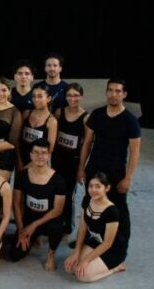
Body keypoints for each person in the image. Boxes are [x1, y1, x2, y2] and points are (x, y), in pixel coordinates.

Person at [78, 79, 141, 242]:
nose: (113, 94)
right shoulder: (97, 114)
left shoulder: (130, 121)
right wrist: (81, 168)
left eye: (118, 91)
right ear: (106, 92)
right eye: (110, 90)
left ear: (124, 94)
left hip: (115, 173)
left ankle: (120, 245)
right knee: (91, 204)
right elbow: (87, 143)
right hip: (94, 169)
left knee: (118, 208)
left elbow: (134, 152)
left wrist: (128, 178)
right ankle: (88, 238)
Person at [9, 139, 66, 271]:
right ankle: (34, 237)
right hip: (29, 219)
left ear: (49, 155)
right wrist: (21, 229)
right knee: (14, 255)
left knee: (56, 226)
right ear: (30, 155)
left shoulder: (58, 180)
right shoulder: (22, 175)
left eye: (44, 153)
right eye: (36, 152)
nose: (40, 156)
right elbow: (16, 203)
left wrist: (33, 225)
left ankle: (51, 253)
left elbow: (57, 210)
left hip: (48, 220)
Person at [64, 172, 127, 282]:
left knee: (83, 275)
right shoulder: (87, 200)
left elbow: (108, 243)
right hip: (95, 241)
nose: (93, 190)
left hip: (113, 249)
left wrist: (86, 260)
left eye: (98, 186)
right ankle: (94, 263)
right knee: (69, 267)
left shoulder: (112, 211)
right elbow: (82, 229)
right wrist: (76, 252)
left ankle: (115, 268)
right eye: (91, 186)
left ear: (107, 188)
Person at [52, 82, 88, 239]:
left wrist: (81, 168)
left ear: (81, 96)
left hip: (72, 162)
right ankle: (55, 223)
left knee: (68, 195)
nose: (72, 99)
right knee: (55, 192)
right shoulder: (59, 112)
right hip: (57, 159)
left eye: (76, 95)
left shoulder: (85, 118)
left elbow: (86, 144)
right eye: (69, 95)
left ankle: (67, 227)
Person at [17, 82, 57, 170]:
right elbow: (18, 140)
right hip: (21, 161)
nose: (36, 99)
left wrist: (30, 166)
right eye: (34, 96)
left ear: (48, 98)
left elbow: (49, 150)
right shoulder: (26, 114)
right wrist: (19, 161)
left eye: (40, 96)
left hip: (39, 164)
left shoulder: (51, 121)